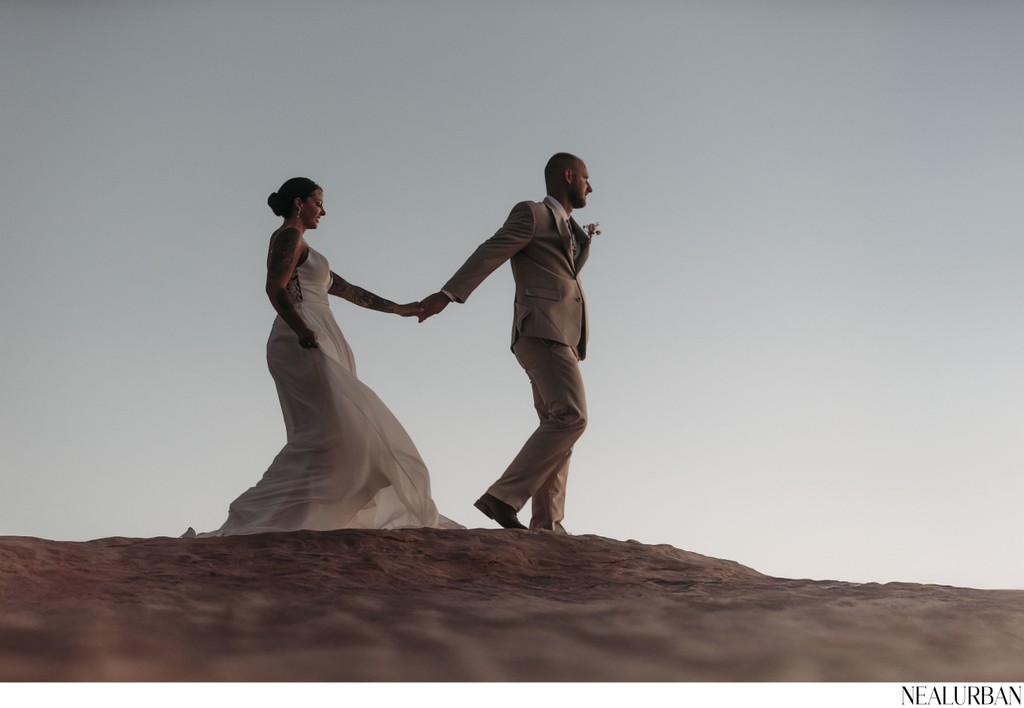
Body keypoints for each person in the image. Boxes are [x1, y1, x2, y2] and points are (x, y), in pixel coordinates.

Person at [194, 177, 453, 535]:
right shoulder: (289, 237)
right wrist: (301, 329)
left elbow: (347, 289)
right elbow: (274, 287)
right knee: (330, 429)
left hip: (316, 333)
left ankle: (300, 514)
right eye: (319, 203)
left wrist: (400, 310)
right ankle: (256, 512)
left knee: (331, 430)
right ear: (299, 203)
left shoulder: (307, 250)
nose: (324, 210)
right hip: (301, 337)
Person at [418, 153, 595, 532]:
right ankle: (503, 497)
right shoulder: (532, 214)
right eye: (585, 178)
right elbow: (491, 251)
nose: (589, 187)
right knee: (572, 416)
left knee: (557, 424)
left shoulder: (572, 229)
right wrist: (447, 294)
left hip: (562, 334)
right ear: (568, 176)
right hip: (541, 330)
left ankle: (547, 525)